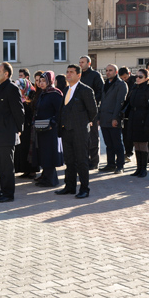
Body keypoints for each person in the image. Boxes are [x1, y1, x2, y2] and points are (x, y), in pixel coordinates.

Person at [55, 64, 97, 199]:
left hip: (80, 132)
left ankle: (84, 188)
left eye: (71, 72)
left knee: (82, 161)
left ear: (79, 75)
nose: (68, 74)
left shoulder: (85, 90)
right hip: (66, 131)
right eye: (67, 72)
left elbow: (93, 111)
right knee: (69, 161)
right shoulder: (66, 90)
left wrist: (83, 123)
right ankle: (70, 186)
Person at [0, 62, 24, 203]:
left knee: (7, 166)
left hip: (7, 134)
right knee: (1, 166)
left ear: (6, 74)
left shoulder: (12, 88)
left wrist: (19, 130)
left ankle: (8, 194)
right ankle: (2, 190)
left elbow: (19, 112)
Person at [32, 71, 64, 188]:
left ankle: (51, 180)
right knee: (43, 153)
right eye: (40, 81)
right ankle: (45, 177)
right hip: (41, 128)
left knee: (49, 153)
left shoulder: (55, 94)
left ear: (50, 81)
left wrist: (53, 122)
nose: (41, 83)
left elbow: (60, 111)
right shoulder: (43, 93)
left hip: (50, 129)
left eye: (44, 81)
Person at [98, 64, 128, 173]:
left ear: (116, 72)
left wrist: (115, 118)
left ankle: (120, 165)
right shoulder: (106, 84)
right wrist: (99, 116)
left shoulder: (121, 84)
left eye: (110, 70)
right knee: (108, 144)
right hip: (104, 118)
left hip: (114, 118)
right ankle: (110, 164)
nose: (108, 72)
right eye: (106, 70)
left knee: (117, 144)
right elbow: (102, 102)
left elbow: (120, 103)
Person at [124, 69, 149, 178]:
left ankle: (143, 169)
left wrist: (147, 123)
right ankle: (138, 168)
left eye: (140, 77)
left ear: (146, 78)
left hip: (143, 117)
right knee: (136, 144)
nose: (138, 78)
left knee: (143, 144)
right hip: (133, 117)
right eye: (137, 76)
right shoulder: (135, 88)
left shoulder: (148, 89)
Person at [79, 56, 103, 170]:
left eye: (82, 62)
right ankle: (85, 160)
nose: (80, 64)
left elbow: (100, 92)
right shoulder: (79, 76)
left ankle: (94, 162)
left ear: (89, 63)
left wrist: (90, 102)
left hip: (92, 110)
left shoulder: (95, 75)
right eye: (79, 62)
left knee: (93, 137)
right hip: (80, 111)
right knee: (84, 137)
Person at [14, 78, 37, 179]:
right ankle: (25, 170)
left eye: (19, 87)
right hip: (21, 127)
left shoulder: (32, 96)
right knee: (22, 149)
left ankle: (32, 171)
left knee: (29, 148)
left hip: (29, 127)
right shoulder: (18, 97)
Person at [118, 66, 136, 161]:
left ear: (129, 73)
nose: (124, 79)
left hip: (132, 110)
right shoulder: (120, 83)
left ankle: (130, 152)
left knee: (131, 133)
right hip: (124, 111)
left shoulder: (135, 81)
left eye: (125, 77)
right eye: (122, 78)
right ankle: (127, 152)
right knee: (125, 133)